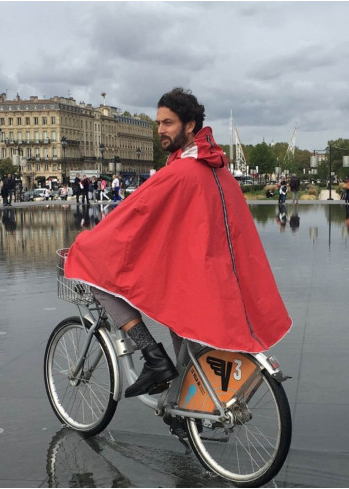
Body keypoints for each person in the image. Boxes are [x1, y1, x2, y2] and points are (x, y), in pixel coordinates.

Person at [65, 88, 291, 400]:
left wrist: (88, 242)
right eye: (158, 123)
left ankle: (153, 358)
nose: (160, 130)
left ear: (190, 125)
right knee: (188, 353)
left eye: (168, 123)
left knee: (98, 277)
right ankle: (182, 413)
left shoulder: (181, 171)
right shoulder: (218, 169)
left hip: (191, 278)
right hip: (218, 277)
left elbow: (131, 215)